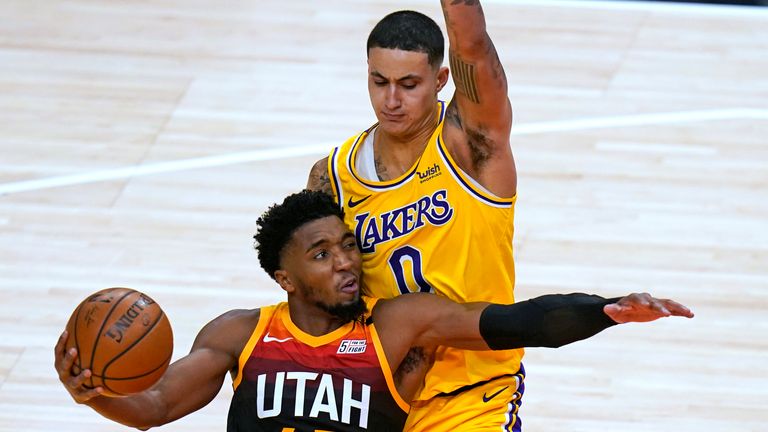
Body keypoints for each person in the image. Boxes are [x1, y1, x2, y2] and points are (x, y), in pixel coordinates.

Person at [55, 190, 693, 431]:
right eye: (321, 252)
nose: (344, 262)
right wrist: (93, 394)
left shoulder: (397, 324)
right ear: (284, 276)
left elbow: (513, 321)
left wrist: (602, 309)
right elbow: (156, 406)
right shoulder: (240, 334)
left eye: (349, 246)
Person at [306, 3, 528, 430]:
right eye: (378, 82)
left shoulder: (471, 145)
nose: (391, 100)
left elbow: (474, 47)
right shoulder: (332, 176)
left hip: (473, 395)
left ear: (441, 80)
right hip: (379, 396)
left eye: (408, 84)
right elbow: (312, 290)